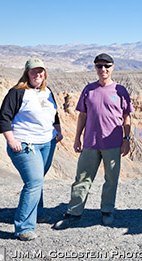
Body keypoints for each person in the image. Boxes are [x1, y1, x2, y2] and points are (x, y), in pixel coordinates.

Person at [54, 53, 133, 229]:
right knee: (82, 178)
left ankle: (107, 211)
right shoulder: (88, 90)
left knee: (111, 179)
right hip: (90, 142)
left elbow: (126, 117)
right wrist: (77, 138)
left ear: (113, 67)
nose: (103, 69)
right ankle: (74, 213)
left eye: (107, 66)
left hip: (112, 143)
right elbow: (82, 115)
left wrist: (127, 139)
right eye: (99, 66)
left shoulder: (120, 90)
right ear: (95, 68)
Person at [0, 58, 63, 240]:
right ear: (27, 73)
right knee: (34, 182)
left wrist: (58, 132)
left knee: (38, 179)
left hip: (48, 143)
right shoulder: (17, 92)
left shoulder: (47, 91)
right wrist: (11, 140)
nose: (37, 74)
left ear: (45, 73)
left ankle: (38, 214)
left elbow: (54, 115)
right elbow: (4, 117)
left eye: (40, 71)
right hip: (26, 144)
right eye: (34, 71)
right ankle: (23, 227)